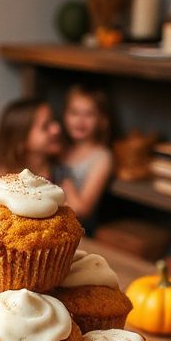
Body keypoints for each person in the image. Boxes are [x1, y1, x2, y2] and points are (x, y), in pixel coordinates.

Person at [57, 84, 114, 235]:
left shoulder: (101, 157)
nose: (80, 121)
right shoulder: (62, 147)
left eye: (89, 114)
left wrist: (66, 177)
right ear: (64, 115)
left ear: (102, 121)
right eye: (74, 112)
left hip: (80, 232)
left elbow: (82, 210)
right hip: (54, 224)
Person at [0, 98, 62, 181]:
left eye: (53, 120)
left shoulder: (61, 173)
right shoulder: (0, 181)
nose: (56, 129)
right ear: (21, 139)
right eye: (45, 126)